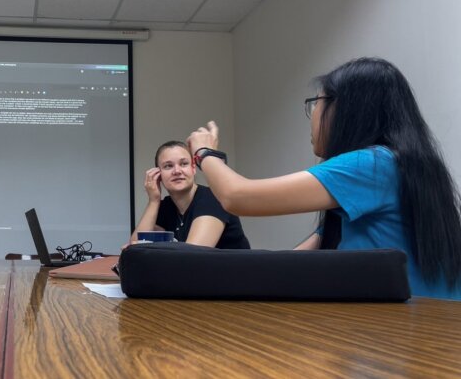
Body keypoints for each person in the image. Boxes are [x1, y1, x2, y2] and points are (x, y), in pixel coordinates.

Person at [187, 57, 461, 300]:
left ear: (347, 109)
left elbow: (238, 197)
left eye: (315, 104)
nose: (312, 117)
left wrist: (204, 152)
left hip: (414, 331)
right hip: (434, 323)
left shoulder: (372, 163)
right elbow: (296, 259)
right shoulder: (404, 164)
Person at [129, 140, 250, 249]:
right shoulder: (166, 207)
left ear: (193, 168)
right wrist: (154, 200)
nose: (177, 171)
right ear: (158, 174)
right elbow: (134, 251)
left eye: (184, 164)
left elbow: (193, 256)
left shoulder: (212, 198)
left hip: (235, 272)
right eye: (168, 166)